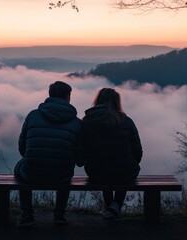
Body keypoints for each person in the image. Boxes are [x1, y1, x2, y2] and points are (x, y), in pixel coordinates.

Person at [15, 81, 83, 227]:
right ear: (67, 96)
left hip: (32, 173)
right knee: (65, 166)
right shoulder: (77, 123)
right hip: (61, 175)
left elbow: (22, 149)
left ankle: (27, 215)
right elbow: (79, 158)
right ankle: (59, 214)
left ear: (50, 95)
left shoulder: (33, 115)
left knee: (20, 167)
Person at [82, 88, 143, 220]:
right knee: (123, 169)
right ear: (116, 102)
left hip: (96, 172)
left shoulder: (87, 121)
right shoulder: (127, 121)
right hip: (125, 171)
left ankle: (111, 207)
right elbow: (138, 152)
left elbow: (82, 151)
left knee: (103, 168)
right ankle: (115, 207)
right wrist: (130, 162)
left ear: (98, 100)